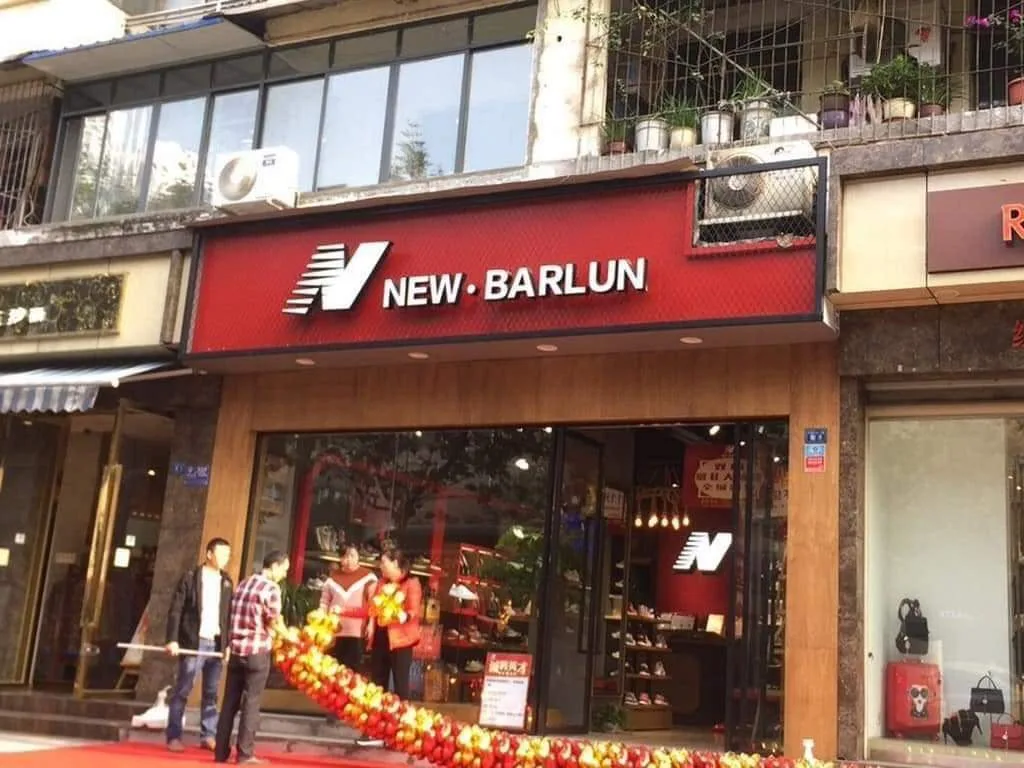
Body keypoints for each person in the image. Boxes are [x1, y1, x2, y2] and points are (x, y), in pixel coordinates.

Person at [214, 550, 289, 765]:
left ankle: (220, 752)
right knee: (251, 703)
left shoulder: (244, 583)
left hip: (237, 650)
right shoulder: (271, 588)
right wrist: (290, 638)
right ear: (274, 566)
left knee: (229, 702)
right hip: (257, 651)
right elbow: (273, 621)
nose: (284, 574)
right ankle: (245, 754)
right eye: (284, 569)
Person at [164, 537, 234, 753]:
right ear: (209, 554)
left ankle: (208, 735)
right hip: (194, 641)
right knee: (183, 690)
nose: (225, 558)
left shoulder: (226, 581)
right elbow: (176, 609)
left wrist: (227, 644)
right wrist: (172, 639)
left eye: (228, 555)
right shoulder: (191, 577)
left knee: (211, 693)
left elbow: (228, 616)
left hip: (216, 643)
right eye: (221, 554)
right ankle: (174, 736)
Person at [367, 548, 422, 699]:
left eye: (384, 562)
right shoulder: (381, 583)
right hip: (380, 637)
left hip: (401, 640)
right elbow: (373, 607)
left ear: (395, 563)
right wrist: (370, 622)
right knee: (377, 683)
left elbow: (414, 610)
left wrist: (403, 615)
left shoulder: (411, 583)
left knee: (400, 684)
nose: (381, 566)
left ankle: (400, 712)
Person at [319, 544, 377, 672]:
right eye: (345, 556)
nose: (349, 559)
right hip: (334, 631)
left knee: (352, 670)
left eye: (353, 555)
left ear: (358, 557)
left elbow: (373, 604)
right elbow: (324, 601)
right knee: (333, 669)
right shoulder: (332, 578)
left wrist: (371, 624)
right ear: (340, 559)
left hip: (357, 631)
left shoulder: (368, 577)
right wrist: (321, 620)